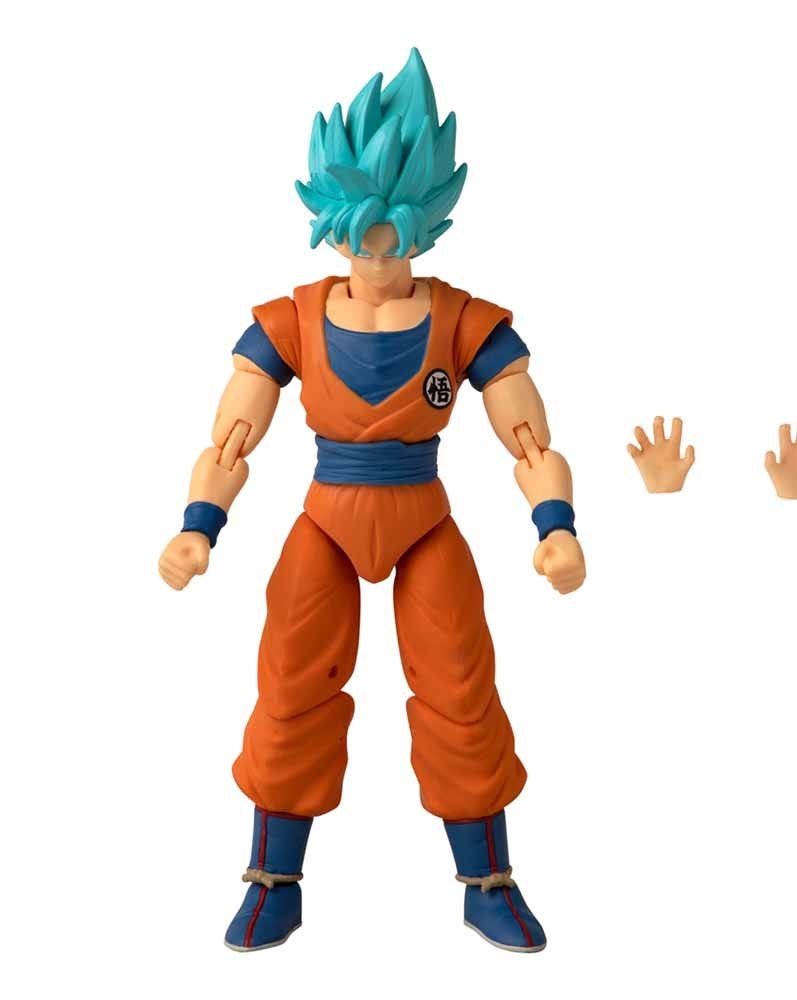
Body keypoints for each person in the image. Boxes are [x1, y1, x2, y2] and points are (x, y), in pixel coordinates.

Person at [158, 48, 585, 954]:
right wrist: (200, 527)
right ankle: (272, 878)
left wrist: (555, 526)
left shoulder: (466, 320)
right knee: (291, 680)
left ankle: (488, 880)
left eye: (395, 236)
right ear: (330, 220)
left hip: (423, 516)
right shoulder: (291, 319)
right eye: (360, 236)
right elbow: (231, 437)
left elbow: (530, 440)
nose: (377, 255)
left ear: (428, 221)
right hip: (326, 517)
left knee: (460, 683)